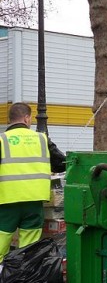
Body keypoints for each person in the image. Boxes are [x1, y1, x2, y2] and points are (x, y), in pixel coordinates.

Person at [0, 102, 66, 262]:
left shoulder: (2, 140)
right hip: (34, 203)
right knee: (29, 252)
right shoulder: (42, 139)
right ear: (27, 118)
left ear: (10, 120)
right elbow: (61, 163)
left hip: (6, 202)